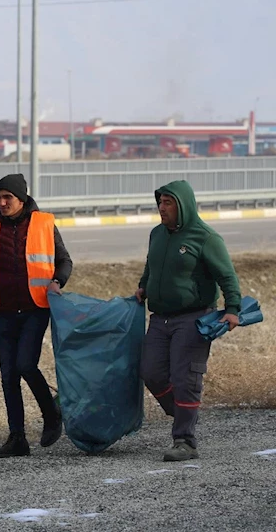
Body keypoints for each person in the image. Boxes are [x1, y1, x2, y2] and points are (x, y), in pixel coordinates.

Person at [0, 173, 73, 458]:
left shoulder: (43, 224)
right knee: (8, 375)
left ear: (21, 198)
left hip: (35, 309)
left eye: (7, 198)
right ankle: (17, 438)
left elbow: (64, 260)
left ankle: (51, 414)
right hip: (4, 312)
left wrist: (57, 281)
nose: (2, 204)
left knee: (26, 364)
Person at [135, 180, 240, 462]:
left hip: (194, 317)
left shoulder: (205, 237)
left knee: (186, 378)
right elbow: (151, 265)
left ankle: (185, 441)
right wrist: (143, 286)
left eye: (168, 203)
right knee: (150, 371)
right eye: (160, 203)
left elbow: (227, 276)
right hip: (160, 318)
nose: (162, 208)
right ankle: (183, 410)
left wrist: (233, 308)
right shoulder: (157, 234)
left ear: (183, 206)